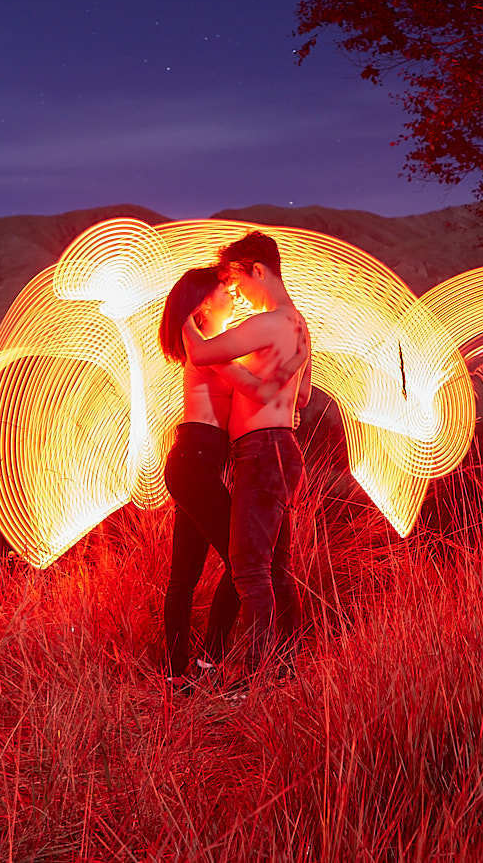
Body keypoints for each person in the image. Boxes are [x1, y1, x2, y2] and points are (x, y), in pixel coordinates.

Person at [153, 264, 301, 690]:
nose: (232, 293)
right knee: (244, 566)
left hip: (193, 462)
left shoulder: (210, 347)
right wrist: (295, 357)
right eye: (223, 288)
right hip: (195, 462)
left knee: (186, 572)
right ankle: (206, 662)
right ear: (203, 303)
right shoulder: (209, 351)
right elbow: (257, 391)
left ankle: (177, 670)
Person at [181, 231, 311, 677]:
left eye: (238, 283)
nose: (237, 295)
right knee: (277, 568)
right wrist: (260, 382)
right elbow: (305, 394)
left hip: (261, 450)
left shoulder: (269, 322)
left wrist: (182, 312)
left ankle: (255, 676)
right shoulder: (298, 325)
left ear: (259, 270)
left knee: (250, 570)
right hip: (282, 450)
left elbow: (200, 351)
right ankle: (285, 668)